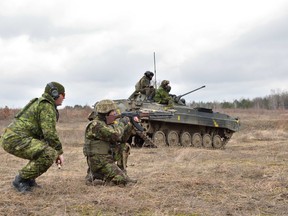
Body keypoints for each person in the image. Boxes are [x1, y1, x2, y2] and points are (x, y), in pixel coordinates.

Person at [0, 82, 65, 193]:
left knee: (42, 150)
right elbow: (49, 133)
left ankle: (29, 179)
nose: (64, 98)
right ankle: (21, 180)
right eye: (63, 94)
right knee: (48, 154)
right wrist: (59, 151)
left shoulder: (42, 104)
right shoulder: (46, 106)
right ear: (55, 94)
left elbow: (44, 135)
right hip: (15, 139)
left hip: (13, 138)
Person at [83, 99, 137, 186]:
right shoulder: (96, 125)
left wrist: (130, 125)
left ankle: (97, 175)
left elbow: (122, 139)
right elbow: (116, 135)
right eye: (113, 111)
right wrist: (122, 123)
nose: (116, 113)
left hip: (106, 157)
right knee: (121, 179)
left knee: (124, 146)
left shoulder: (106, 124)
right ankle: (102, 176)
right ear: (106, 113)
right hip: (99, 160)